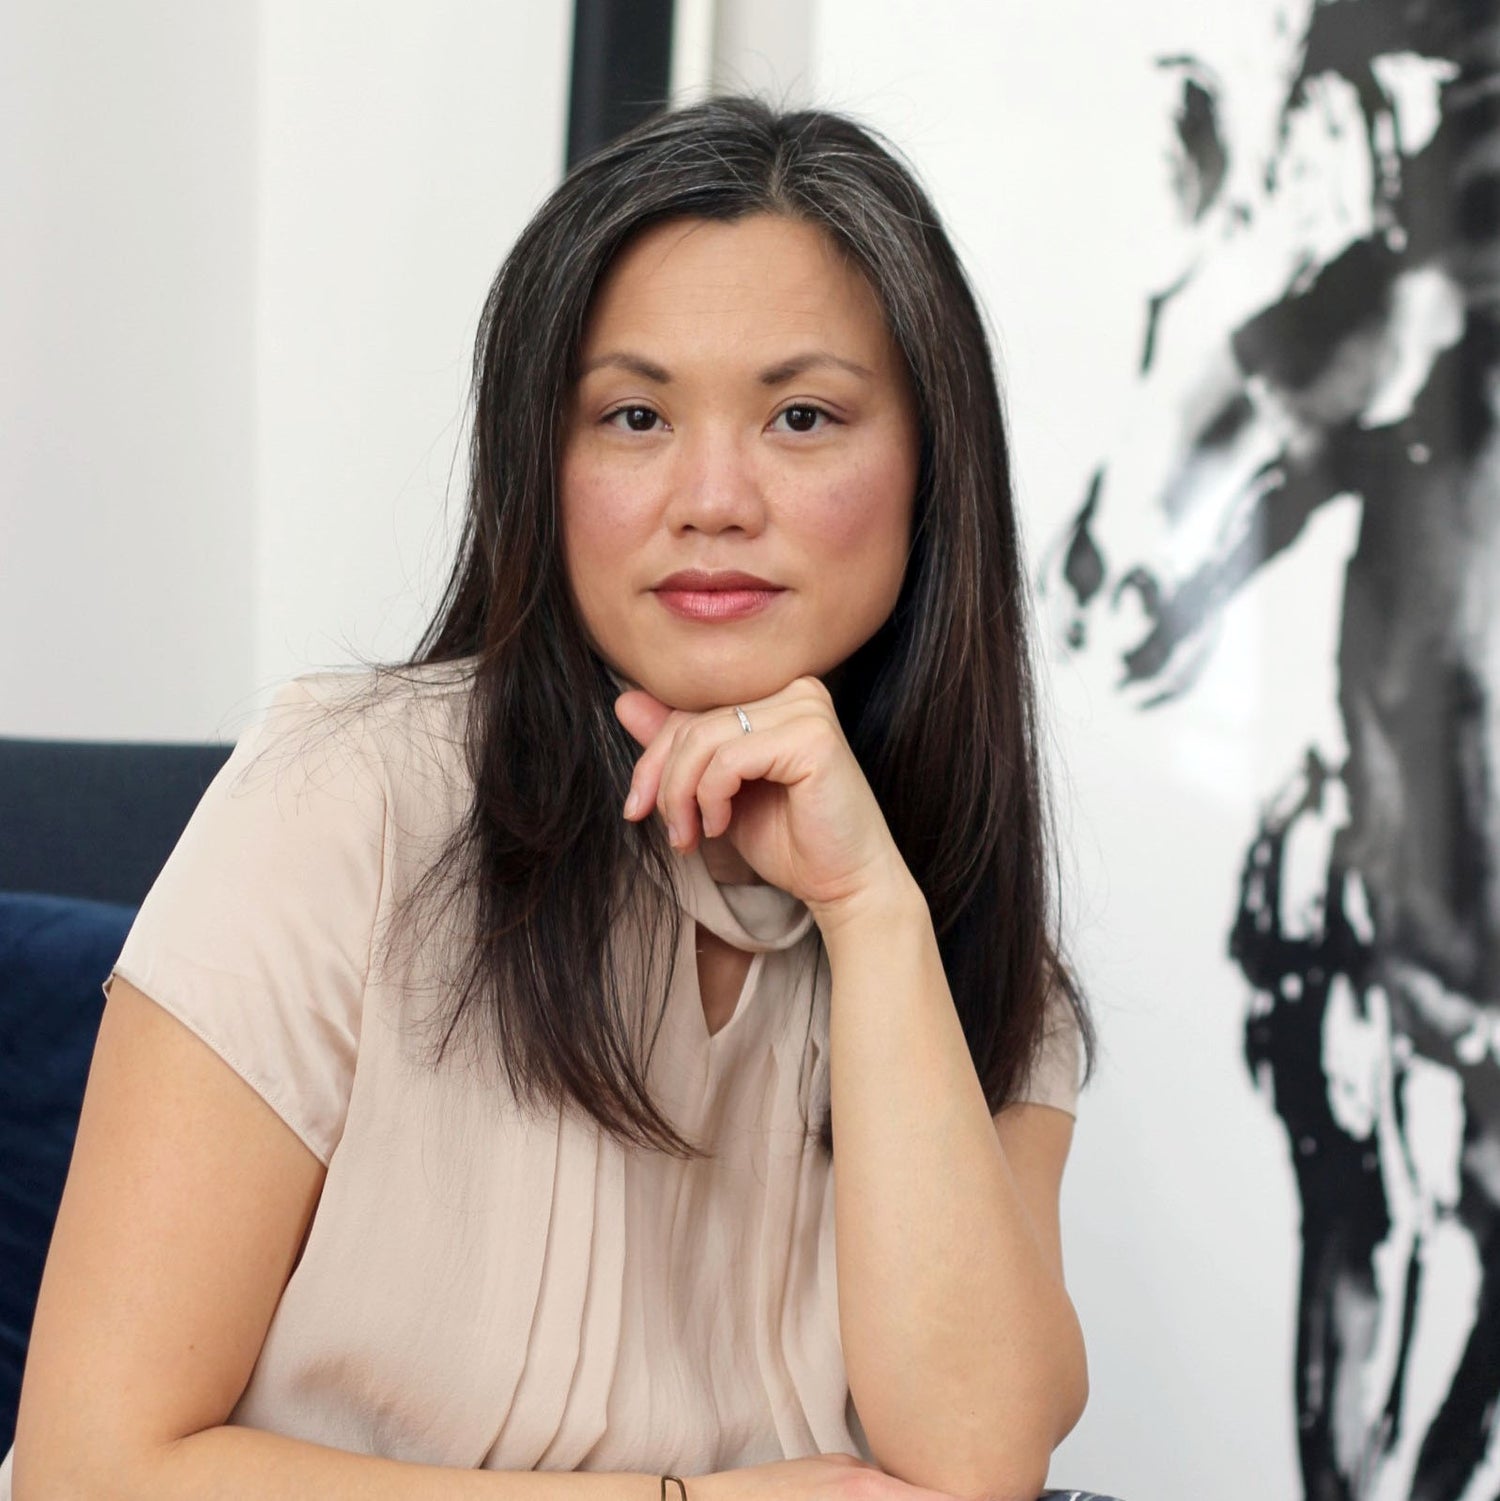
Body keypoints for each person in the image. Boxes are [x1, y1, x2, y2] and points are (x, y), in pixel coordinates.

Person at [6, 96, 1093, 1501]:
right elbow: (91, 1470)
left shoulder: (950, 908)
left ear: (930, 475)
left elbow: (978, 1458)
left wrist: (871, 911)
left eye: (802, 416)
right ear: (544, 463)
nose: (713, 495)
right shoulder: (351, 797)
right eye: (634, 415)